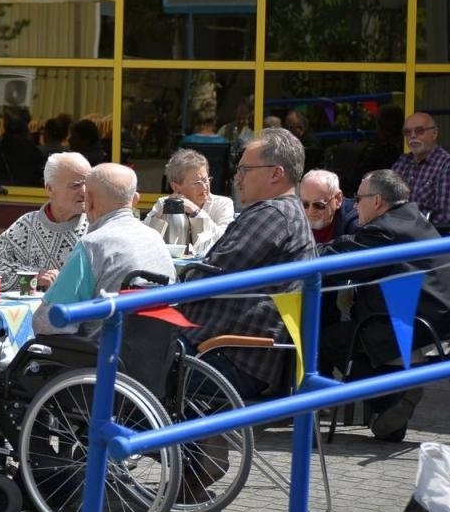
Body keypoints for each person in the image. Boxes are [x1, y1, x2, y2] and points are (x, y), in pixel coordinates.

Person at [318, 169, 450, 442]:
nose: (354, 204)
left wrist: (309, 250)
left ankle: (390, 399)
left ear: (376, 201)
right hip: (446, 320)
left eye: (358, 198)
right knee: (353, 332)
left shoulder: (386, 229)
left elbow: (343, 260)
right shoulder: (412, 219)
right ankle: (392, 407)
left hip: (419, 325)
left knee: (329, 339)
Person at [180, 128, 317, 401]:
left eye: (245, 169)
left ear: (275, 174)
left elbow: (207, 277)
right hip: (235, 353)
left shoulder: (273, 214)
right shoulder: (283, 212)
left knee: (126, 361)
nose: (237, 178)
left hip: (228, 359)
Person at [33, 163, 173, 338]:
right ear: (135, 200)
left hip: (100, 353)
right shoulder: (155, 237)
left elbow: (48, 323)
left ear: (88, 202)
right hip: (150, 351)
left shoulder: (93, 244)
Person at [0, 152, 91, 285]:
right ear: (50, 189)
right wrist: (34, 277)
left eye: (88, 184)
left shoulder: (97, 224)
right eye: (76, 185)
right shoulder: (27, 225)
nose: (84, 192)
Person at [141, 148, 235, 255]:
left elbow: (224, 239)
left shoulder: (222, 204)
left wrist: (196, 212)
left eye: (206, 180)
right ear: (176, 187)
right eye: (197, 183)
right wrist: (162, 213)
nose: (204, 187)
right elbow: (144, 239)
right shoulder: (164, 203)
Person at [391, 111, 450, 225]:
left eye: (419, 131)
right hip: (396, 235)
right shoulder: (401, 162)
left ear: (434, 134)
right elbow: (385, 203)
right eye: (407, 132)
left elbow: (445, 219)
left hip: (430, 239)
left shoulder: (447, 163)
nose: (413, 136)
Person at [299, 168, 358, 244]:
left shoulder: (356, 218)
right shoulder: (292, 218)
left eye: (318, 205)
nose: (310, 211)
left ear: (338, 199)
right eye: (304, 204)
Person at [0, 111, 45, 187]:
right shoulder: (32, 149)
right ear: (26, 126)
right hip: (28, 192)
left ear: (5, 126)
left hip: (1, 189)